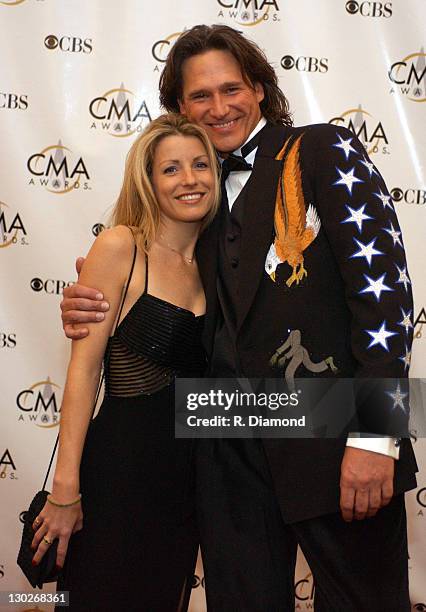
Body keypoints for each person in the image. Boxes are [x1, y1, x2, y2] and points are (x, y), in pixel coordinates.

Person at [61, 25, 417, 612]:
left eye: (232, 89)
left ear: (258, 88)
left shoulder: (324, 151)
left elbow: (387, 302)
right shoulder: (196, 195)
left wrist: (378, 437)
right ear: (179, 107)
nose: (219, 107)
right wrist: (91, 301)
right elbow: (157, 281)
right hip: (224, 451)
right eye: (200, 96)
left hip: (332, 435)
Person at [30, 113, 220, 612]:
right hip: (118, 474)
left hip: (187, 485)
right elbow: (83, 372)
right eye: (171, 169)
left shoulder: (218, 264)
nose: (190, 179)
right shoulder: (121, 246)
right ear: (148, 180)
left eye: (201, 165)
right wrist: (66, 488)